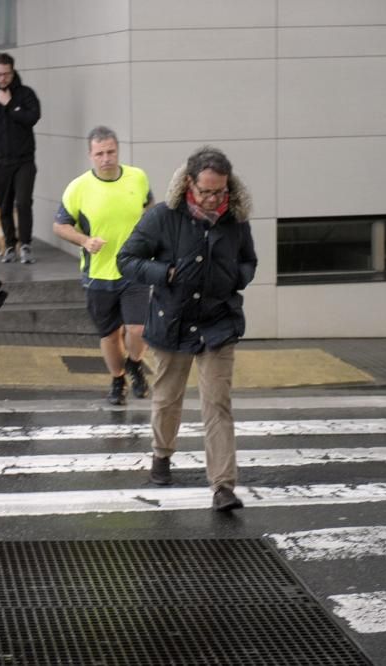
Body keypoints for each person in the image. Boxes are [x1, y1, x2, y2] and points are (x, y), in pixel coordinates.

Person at [117, 146, 257, 512]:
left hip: (219, 321)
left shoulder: (236, 218)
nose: (213, 199)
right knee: (166, 398)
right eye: (206, 191)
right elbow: (126, 260)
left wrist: (235, 279)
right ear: (189, 184)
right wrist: (164, 273)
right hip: (172, 320)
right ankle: (162, 455)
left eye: (220, 191)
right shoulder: (163, 216)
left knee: (217, 405)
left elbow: (248, 260)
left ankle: (223, 486)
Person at [54, 126, 153, 406]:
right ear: (90, 155)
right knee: (110, 336)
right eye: (100, 153)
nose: (106, 158)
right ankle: (117, 378)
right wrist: (84, 241)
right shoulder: (78, 188)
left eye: (111, 152)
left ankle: (135, 362)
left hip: (135, 269)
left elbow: (150, 209)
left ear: (117, 151)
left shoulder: (138, 177)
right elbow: (60, 226)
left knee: (138, 329)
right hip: (98, 274)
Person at [0, 52, 41, 265]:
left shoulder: (26, 95)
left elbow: (32, 118)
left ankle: (26, 245)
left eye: (6, 74)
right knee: (4, 206)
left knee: (23, 202)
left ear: (12, 72)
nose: (2, 78)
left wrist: (11, 104)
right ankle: (10, 246)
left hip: (24, 160)